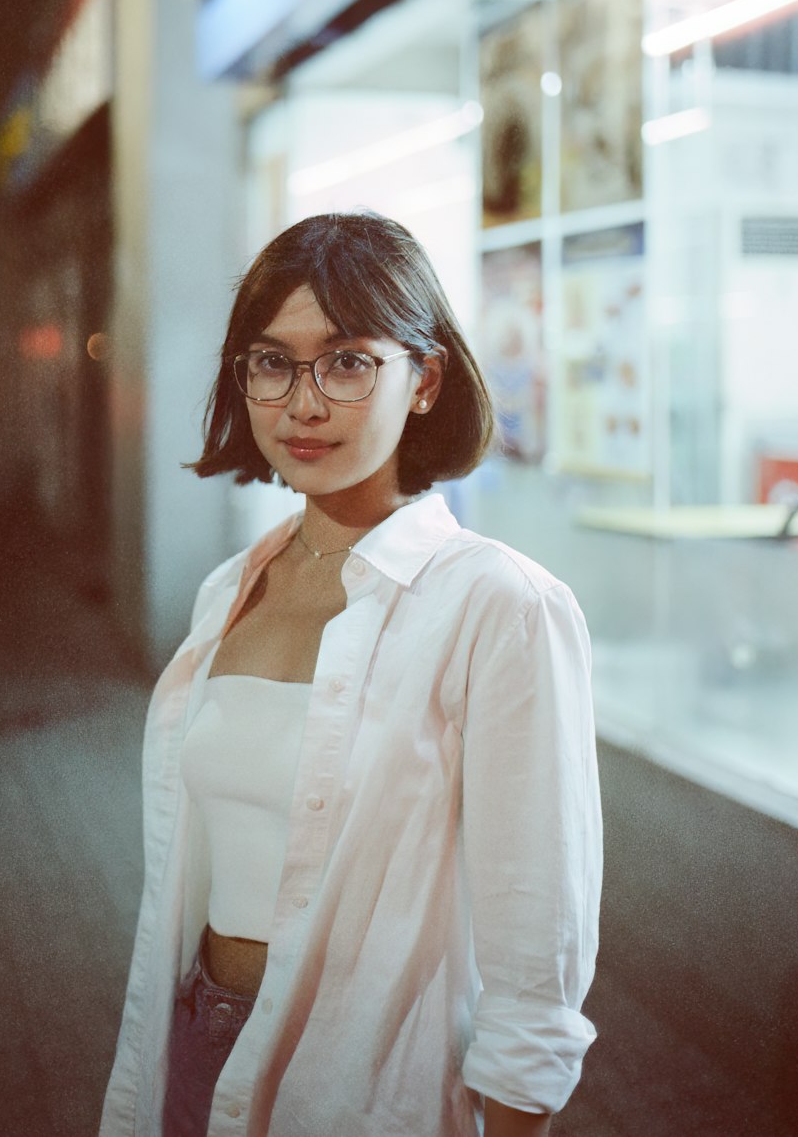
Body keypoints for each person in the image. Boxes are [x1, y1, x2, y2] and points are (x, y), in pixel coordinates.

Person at [100, 212, 602, 1137]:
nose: (301, 404)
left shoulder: (498, 606)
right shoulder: (230, 589)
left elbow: (537, 948)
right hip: (195, 1050)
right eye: (270, 361)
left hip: (367, 1081)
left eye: (346, 362)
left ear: (426, 380)